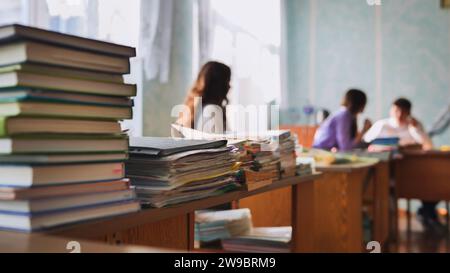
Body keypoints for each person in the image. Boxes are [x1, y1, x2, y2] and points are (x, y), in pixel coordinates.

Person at [363, 98, 440, 231]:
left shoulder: (414, 126)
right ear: (391, 110)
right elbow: (365, 144)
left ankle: (427, 215)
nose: (399, 115)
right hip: (388, 171)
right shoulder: (382, 125)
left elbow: (428, 146)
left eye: (403, 112)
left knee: (434, 183)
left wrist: (416, 130)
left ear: (409, 112)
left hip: (414, 172)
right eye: (396, 110)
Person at [176, 61, 231, 134]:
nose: (230, 86)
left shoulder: (194, 107)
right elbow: (223, 142)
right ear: (219, 85)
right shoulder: (212, 110)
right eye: (227, 81)